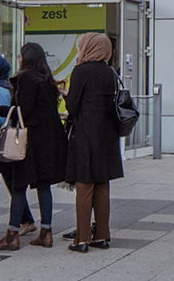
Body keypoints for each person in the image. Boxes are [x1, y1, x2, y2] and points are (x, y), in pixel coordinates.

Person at [0, 42, 67, 249]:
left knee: (19, 186)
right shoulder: (46, 80)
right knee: (43, 186)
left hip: (29, 142)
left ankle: (11, 236)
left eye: (20, 55)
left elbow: (23, 111)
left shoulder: (26, 77)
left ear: (27, 58)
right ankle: (46, 232)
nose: (18, 59)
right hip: (49, 141)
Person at [65, 32, 123, 253]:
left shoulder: (81, 71)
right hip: (107, 136)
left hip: (86, 135)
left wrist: (65, 94)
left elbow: (72, 107)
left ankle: (81, 240)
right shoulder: (110, 72)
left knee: (84, 186)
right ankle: (101, 236)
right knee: (102, 186)